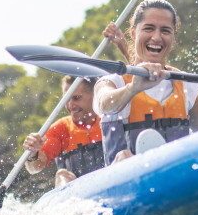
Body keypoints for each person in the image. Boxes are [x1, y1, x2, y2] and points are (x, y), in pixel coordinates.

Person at [94, 0, 198, 165]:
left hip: (175, 174)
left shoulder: (184, 83)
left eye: (165, 31)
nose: (156, 37)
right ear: (134, 33)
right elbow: (104, 104)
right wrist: (132, 89)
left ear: (173, 38)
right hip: (127, 177)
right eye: (149, 28)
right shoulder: (112, 81)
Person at [21, 26, 130, 188]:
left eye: (77, 98)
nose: (71, 105)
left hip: (113, 184)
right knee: (61, 174)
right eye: (67, 99)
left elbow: (142, 80)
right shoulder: (61, 129)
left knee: (124, 155)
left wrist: (123, 45)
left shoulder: (111, 119)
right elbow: (34, 167)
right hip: (78, 194)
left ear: (94, 95)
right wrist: (32, 153)